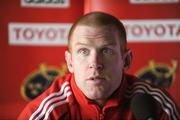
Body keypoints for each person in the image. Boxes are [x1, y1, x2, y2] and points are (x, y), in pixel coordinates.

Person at [18, 12, 180, 120]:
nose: (95, 63)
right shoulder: (46, 112)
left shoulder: (156, 104)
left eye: (106, 51)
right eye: (83, 51)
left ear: (126, 61)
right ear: (70, 62)